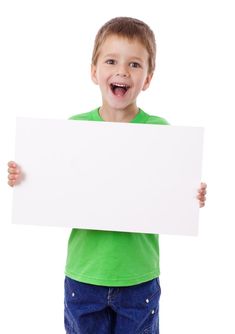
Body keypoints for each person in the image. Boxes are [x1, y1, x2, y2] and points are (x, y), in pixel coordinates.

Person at [8, 17, 207, 334]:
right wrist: (27, 178)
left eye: (135, 64)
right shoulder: (73, 128)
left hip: (138, 278)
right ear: (94, 71)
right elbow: (54, 186)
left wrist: (191, 195)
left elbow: (173, 193)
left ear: (148, 78)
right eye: (111, 61)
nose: (122, 71)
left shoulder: (160, 133)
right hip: (84, 277)